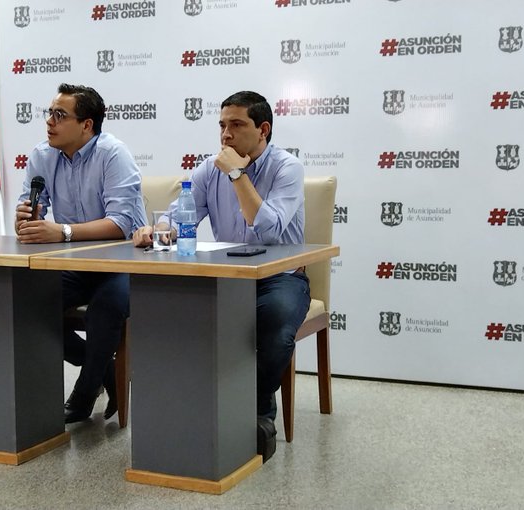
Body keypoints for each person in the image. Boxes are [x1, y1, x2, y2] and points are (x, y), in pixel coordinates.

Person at [133, 91, 311, 461]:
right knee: (172, 315)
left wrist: (236, 174)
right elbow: (180, 215)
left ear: (263, 130)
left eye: (236, 125)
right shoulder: (206, 170)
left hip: (279, 277)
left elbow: (268, 231)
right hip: (226, 275)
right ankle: (193, 412)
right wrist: (156, 229)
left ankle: (256, 411)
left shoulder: (286, 168)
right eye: (222, 126)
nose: (225, 135)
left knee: (276, 328)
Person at [16, 83, 147, 424]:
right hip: (76, 261)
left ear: (87, 125)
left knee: (106, 308)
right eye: (50, 113)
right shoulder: (42, 156)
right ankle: (104, 371)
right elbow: (32, 207)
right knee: (28, 301)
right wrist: (25, 219)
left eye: (61, 115)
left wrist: (63, 232)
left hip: (124, 261)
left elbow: (121, 224)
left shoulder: (113, 154)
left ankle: (85, 391)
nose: (50, 122)